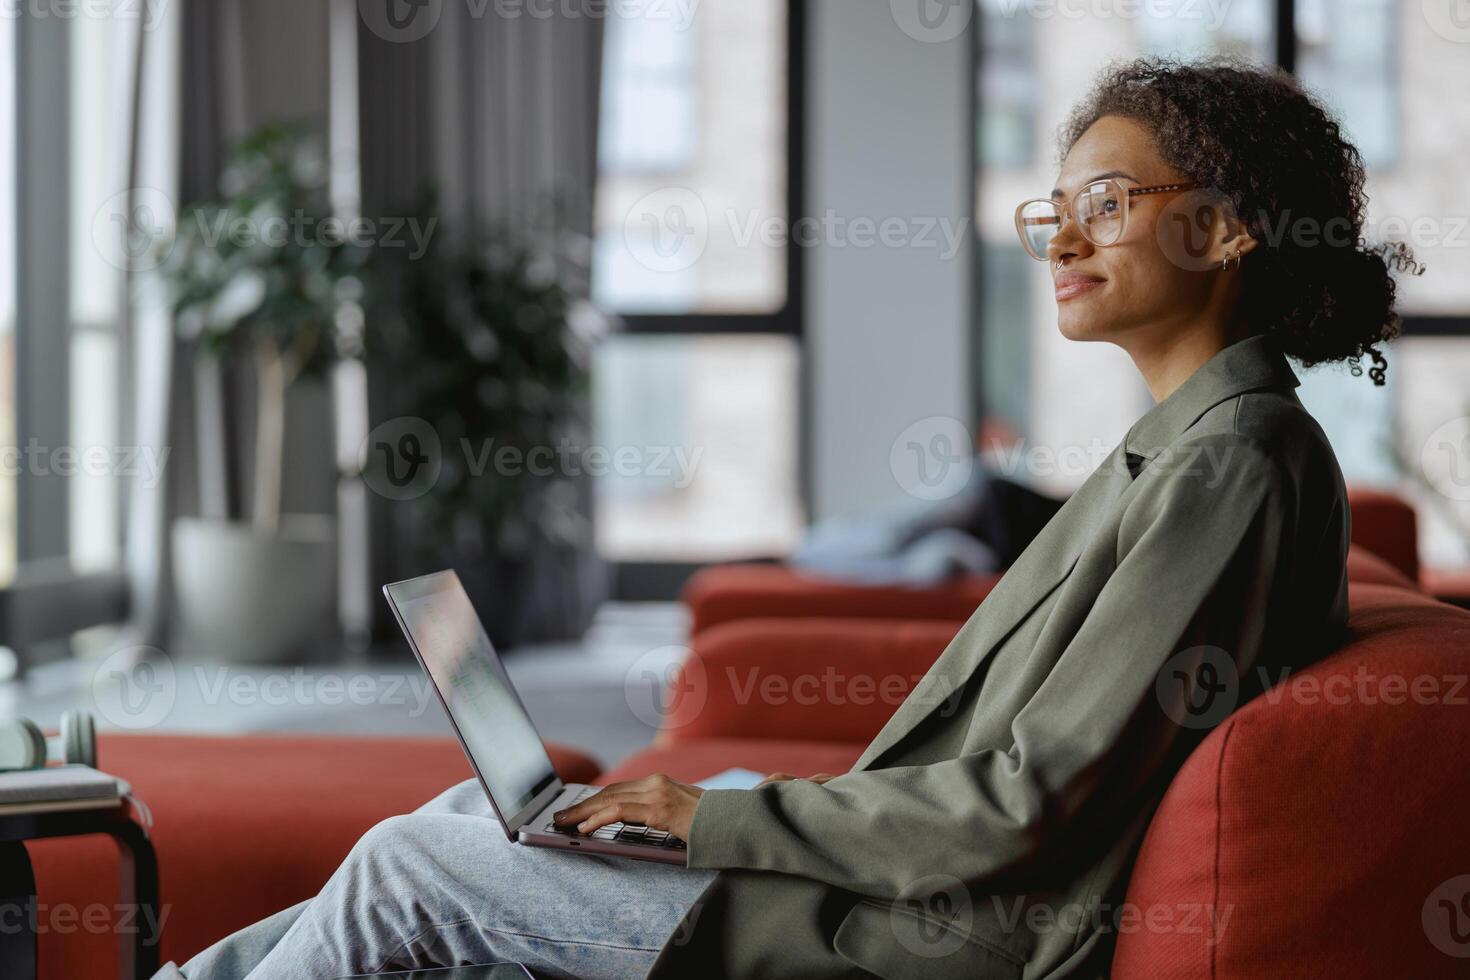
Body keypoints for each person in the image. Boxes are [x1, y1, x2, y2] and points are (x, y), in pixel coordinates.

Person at [155, 56, 1413, 980]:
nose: (1059, 241)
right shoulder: (1191, 446)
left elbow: (1032, 805)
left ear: (1227, 223)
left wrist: (709, 813)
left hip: (925, 934)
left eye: (1107, 203)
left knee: (407, 863)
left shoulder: (1230, 464)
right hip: (901, 879)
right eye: (1055, 210)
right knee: (438, 827)